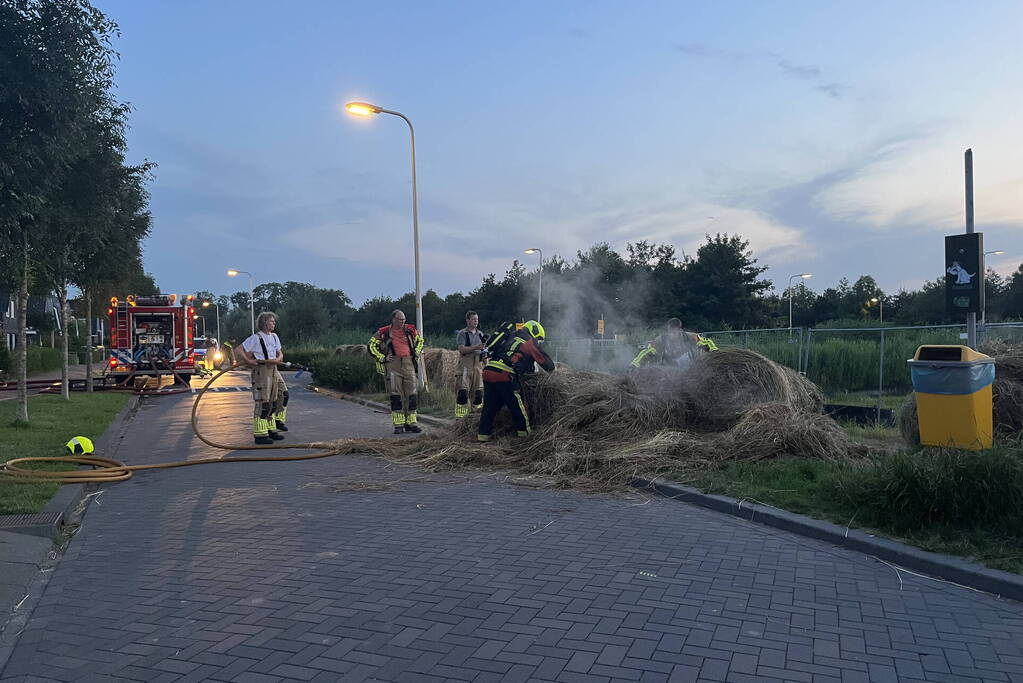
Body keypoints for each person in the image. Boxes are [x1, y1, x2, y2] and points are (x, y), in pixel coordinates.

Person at [477, 320, 555, 442]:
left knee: (489, 407)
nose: (539, 341)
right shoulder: (530, 341)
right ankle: (525, 438)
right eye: (539, 338)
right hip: (505, 374)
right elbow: (548, 365)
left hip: (488, 371)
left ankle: (482, 437)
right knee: (518, 408)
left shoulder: (510, 335)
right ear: (534, 333)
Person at [369, 309, 425, 434]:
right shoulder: (384, 332)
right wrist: (382, 357)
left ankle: (411, 423)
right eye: (400, 319)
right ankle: (398, 424)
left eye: (404, 319)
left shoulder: (410, 329)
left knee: (412, 395)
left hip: (408, 363)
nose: (403, 321)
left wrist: (416, 352)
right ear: (393, 319)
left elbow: (421, 341)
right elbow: (371, 346)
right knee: (396, 396)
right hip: (393, 365)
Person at [238, 312, 289, 445]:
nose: (274, 323)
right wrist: (249, 361)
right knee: (263, 402)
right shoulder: (256, 338)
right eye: (271, 321)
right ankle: (260, 435)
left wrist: (277, 360)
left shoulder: (274, 337)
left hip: (274, 369)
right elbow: (239, 349)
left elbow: (280, 353)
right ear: (265, 323)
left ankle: (273, 427)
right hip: (262, 370)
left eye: (274, 321)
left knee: (281, 395)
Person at [630, 317, 717, 369]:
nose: (671, 335)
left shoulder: (691, 337)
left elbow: (707, 342)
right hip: (669, 370)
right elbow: (647, 352)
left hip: (689, 369)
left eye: (674, 332)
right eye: (670, 332)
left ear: (679, 330)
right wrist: (635, 364)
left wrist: (714, 351)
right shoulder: (661, 340)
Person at [454, 310, 486, 418]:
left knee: (478, 393)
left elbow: (484, 350)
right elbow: (462, 349)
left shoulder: (481, 334)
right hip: (466, 364)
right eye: (473, 319)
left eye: (477, 319)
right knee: (463, 392)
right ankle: (461, 419)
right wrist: (476, 347)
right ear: (468, 320)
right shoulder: (462, 334)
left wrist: (486, 364)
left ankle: (476, 418)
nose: (476, 321)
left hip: (478, 364)